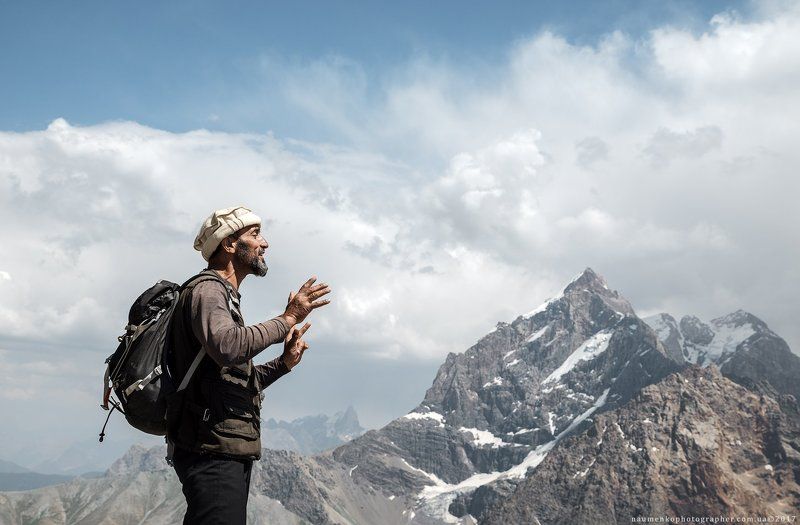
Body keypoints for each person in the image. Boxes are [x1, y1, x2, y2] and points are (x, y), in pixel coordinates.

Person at [165, 205, 331, 524]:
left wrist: (283, 364)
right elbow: (229, 347)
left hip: (223, 448)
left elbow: (233, 381)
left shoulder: (223, 296)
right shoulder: (208, 290)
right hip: (210, 450)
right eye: (254, 235)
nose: (264, 243)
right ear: (229, 244)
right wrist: (289, 318)